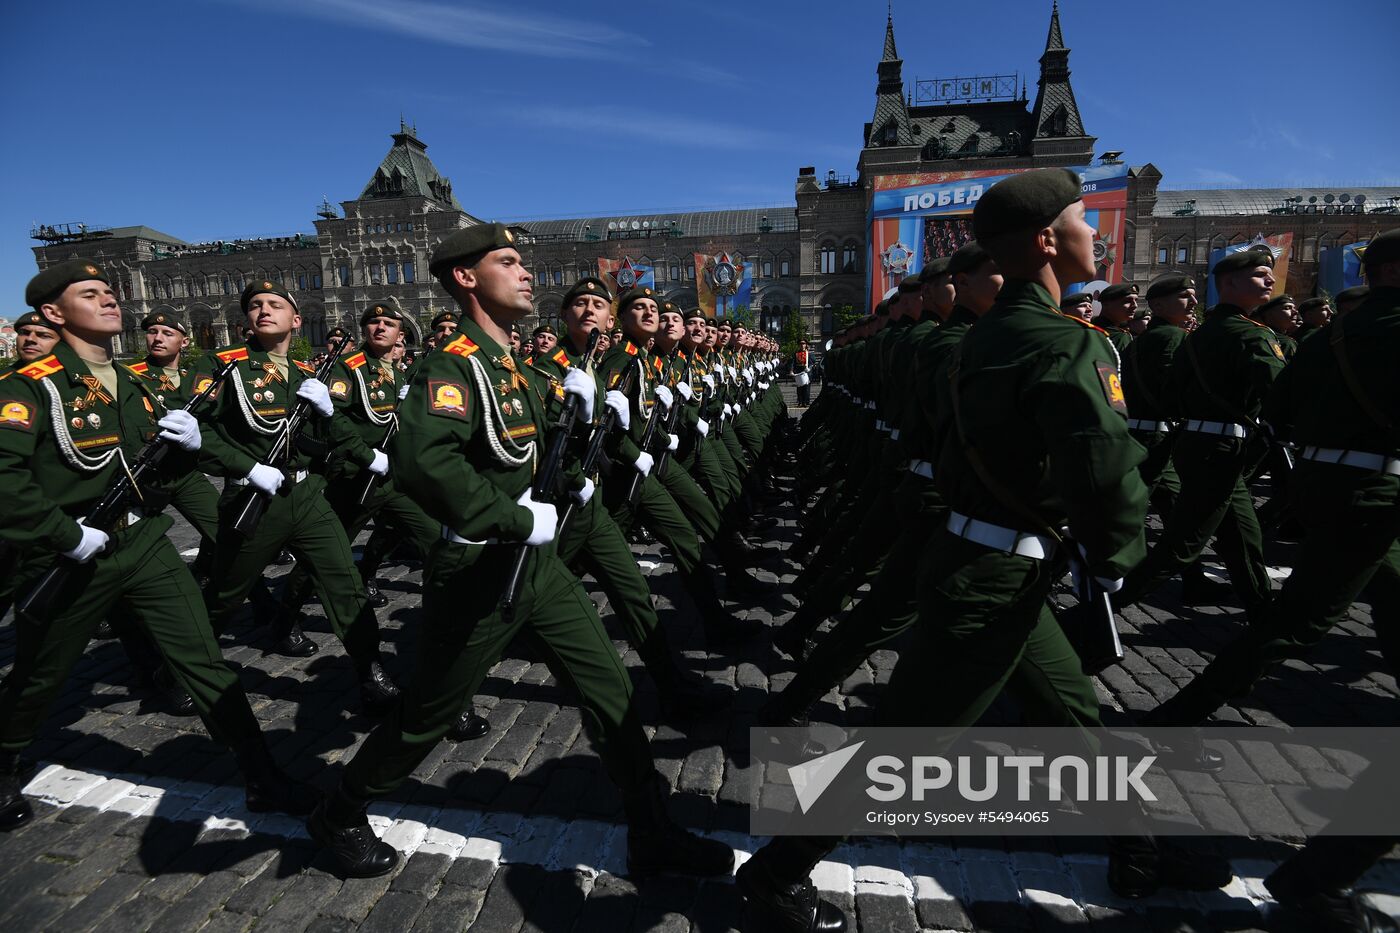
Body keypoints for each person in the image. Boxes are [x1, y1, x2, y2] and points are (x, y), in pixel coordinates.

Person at [739, 169, 1231, 931]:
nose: (1097, 233)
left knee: (1075, 714)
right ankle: (775, 874)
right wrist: (1115, 556)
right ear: (1045, 241)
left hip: (991, 559)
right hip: (992, 575)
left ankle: (1140, 842)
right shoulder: (1066, 343)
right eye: (1082, 221)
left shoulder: (981, 340)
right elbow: (1106, 474)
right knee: (902, 747)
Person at [306, 223, 733, 882]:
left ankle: (651, 829)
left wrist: (583, 443)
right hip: (479, 569)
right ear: (467, 278)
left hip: (536, 566)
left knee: (610, 686)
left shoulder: (511, 365)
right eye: (509, 261)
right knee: (429, 715)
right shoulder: (451, 364)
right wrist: (509, 515)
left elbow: (539, 462)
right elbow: (423, 461)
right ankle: (340, 808)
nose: (527, 271)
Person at [0, 259, 316, 831]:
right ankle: (4, 757)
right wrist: (64, 535)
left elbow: (159, 471)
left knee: (204, 659)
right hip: (69, 552)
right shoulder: (29, 386)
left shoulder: (135, 384)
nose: (109, 300)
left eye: (111, 292)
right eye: (90, 293)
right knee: (40, 673)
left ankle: (261, 774)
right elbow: (5, 479)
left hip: (141, 542)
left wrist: (198, 449)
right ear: (52, 312)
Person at [1140, 228, 1400, 728]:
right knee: (1288, 608)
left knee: (1237, 539)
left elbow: (1282, 407)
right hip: (1365, 488)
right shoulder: (1246, 335)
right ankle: (1176, 706)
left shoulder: (1329, 338)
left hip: (1310, 475)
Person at [196, 279, 400, 708]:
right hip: (252, 499)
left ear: (296, 319)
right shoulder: (224, 365)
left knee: (345, 583)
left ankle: (369, 667)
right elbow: (198, 431)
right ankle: (185, 663)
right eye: (254, 305)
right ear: (245, 320)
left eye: (274, 304)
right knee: (226, 594)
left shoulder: (308, 375)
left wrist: (328, 414)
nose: (263, 310)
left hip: (307, 497)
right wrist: (246, 468)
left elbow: (330, 435)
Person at [1113, 246, 1286, 625]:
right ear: (1229, 283)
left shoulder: (1196, 336)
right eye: (1260, 275)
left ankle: (1261, 609)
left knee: (1242, 531)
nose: (1270, 280)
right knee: (1182, 541)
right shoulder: (1244, 334)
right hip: (1215, 446)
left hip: (1195, 442)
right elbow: (1282, 395)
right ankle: (1096, 612)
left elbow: (1172, 395)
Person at [1092, 282, 1138, 355]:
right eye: (1127, 301)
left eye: (1136, 300)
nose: (1135, 305)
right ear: (1106, 304)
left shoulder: (1089, 327)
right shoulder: (1120, 337)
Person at [792, 339, 811, 406]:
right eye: (800, 344)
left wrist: (810, 368)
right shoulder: (796, 353)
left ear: (806, 345)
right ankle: (800, 401)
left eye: (803, 343)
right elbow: (793, 363)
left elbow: (813, 362)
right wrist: (791, 370)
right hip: (798, 371)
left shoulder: (808, 353)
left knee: (806, 388)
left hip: (806, 371)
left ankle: (805, 401)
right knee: (799, 387)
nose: (802, 345)